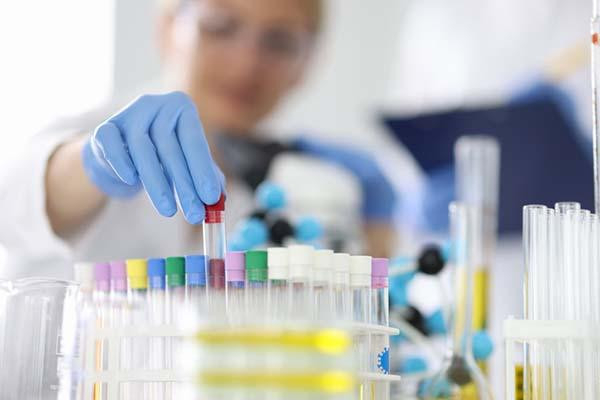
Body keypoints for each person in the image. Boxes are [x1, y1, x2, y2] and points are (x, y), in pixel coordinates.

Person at [0, 0, 396, 279]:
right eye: (220, 25)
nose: (246, 63)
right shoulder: (86, 133)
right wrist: (91, 162)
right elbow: (19, 203)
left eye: (278, 42)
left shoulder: (300, 187)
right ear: (169, 28)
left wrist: (376, 235)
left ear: (307, 62)